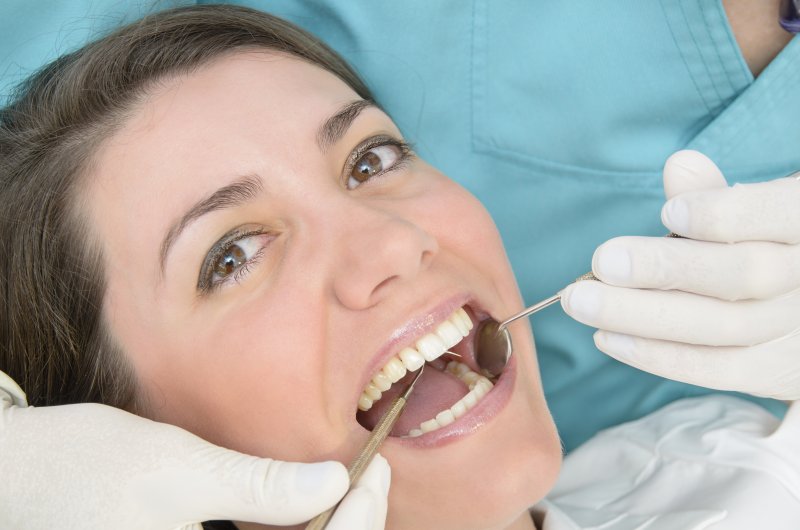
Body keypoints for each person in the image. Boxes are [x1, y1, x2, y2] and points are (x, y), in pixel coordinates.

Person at [1, 2, 799, 529]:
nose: (389, 244)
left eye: (370, 159)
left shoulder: (732, 469)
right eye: (231, 257)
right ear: (113, 432)